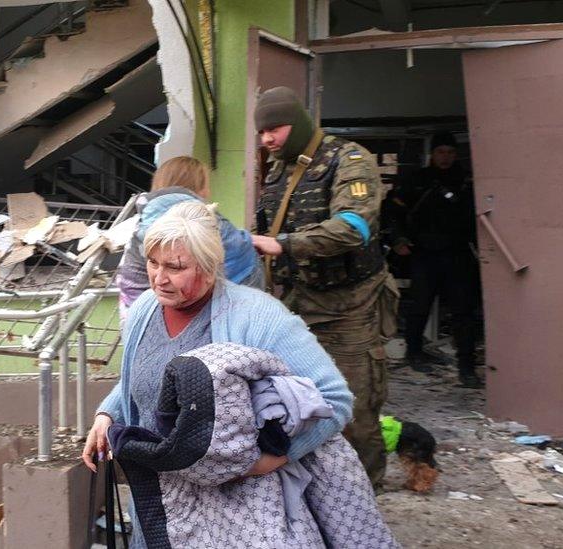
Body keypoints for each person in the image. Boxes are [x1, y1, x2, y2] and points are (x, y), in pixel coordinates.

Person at [83, 202, 358, 546]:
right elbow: (142, 377)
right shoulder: (144, 310)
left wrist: (272, 460)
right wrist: (109, 413)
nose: (159, 278)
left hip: (236, 510)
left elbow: (334, 398)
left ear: (210, 267)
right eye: (153, 262)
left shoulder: (258, 316)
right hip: (160, 504)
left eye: (176, 266)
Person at [249, 86, 398, 485]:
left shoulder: (349, 159)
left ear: (297, 123)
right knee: (299, 403)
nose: (266, 139)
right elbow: (267, 229)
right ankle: (322, 489)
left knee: (355, 407)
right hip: (300, 304)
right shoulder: (280, 168)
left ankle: (367, 492)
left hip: (352, 306)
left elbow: (354, 228)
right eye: (261, 132)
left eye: (274, 129)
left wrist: (282, 244)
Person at [387, 132, 482, 388]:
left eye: (450, 152)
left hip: (457, 253)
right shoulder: (417, 180)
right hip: (424, 253)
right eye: (441, 152)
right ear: (432, 155)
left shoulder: (464, 181)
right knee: (419, 308)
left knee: (463, 313)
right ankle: (414, 352)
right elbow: (393, 212)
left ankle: (467, 366)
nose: (445, 157)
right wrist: (399, 240)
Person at [115, 156, 264, 317]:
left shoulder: (141, 225)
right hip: (209, 316)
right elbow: (239, 253)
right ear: (200, 189)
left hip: (136, 313)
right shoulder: (206, 222)